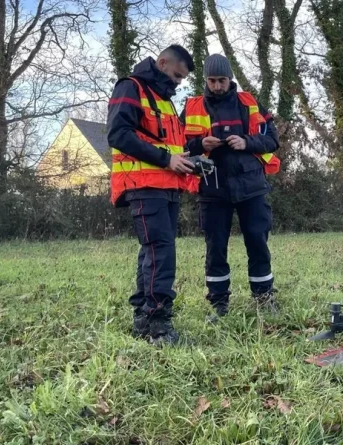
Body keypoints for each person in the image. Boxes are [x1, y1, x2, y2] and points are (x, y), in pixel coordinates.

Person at [107, 44, 198, 346]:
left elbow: (169, 148)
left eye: (182, 79)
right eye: (175, 75)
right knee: (160, 252)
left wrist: (190, 157)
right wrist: (166, 159)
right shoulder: (131, 88)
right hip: (145, 186)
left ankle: (144, 321)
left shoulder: (165, 101)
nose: (177, 83)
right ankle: (158, 327)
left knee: (153, 252)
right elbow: (119, 134)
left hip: (167, 186)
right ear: (161, 63)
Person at [180, 54, 281, 323]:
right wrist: (201, 145)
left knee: (258, 243)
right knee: (215, 248)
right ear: (205, 80)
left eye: (221, 80)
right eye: (211, 81)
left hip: (252, 186)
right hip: (212, 187)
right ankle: (218, 304)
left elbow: (272, 140)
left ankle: (264, 298)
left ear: (230, 78)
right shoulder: (191, 107)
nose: (216, 86)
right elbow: (176, 146)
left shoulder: (249, 102)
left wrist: (247, 142)